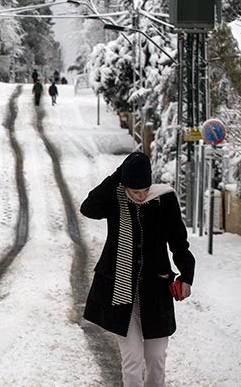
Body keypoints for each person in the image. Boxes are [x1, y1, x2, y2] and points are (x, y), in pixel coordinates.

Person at [80, 152, 195, 387]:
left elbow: (178, 241)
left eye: (144, 190)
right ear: (125, 185)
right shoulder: (116, 197)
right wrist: (116, 177)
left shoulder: (164, 199)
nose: (141, 196)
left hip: (156, 291)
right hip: (120, 291)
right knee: (132, 357)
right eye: (135, 192)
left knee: (156, 357)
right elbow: (88, 208)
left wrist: (186, 274)